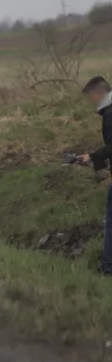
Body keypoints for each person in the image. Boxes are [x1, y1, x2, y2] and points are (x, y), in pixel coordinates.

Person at [77, 76, 112, 275]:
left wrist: (92, 156)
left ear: (98, 93)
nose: (91, 103)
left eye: (90, 98)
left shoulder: (110, 114)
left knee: (111, 219)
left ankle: (108, 269)